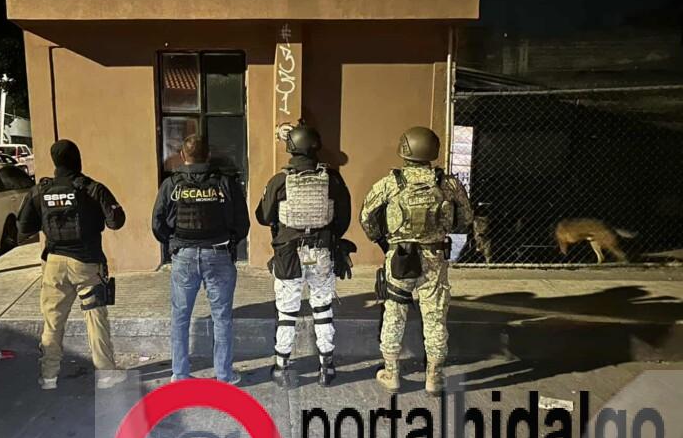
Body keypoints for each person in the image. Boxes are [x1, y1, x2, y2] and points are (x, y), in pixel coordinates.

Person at [360, 126, 473, 395]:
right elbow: (465, 218)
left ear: (404, 150)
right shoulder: (448, 184)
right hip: (435, 257)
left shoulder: (390, 183)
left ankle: (391, 373)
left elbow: (367, 218)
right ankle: (434, 377)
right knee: (435, 316)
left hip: (400, 258)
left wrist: (384, 241)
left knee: (394, 313)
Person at [17, 139, 126, 390]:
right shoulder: (92, 188)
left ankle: (48, 376)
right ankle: (105, 373)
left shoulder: (40, 191)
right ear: (78, 160)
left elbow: (24, 228)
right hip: (87, 264)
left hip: (54, 264)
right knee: (95, 318)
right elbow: (116, 221)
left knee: (53, 321)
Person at [255, 120, 353, 388]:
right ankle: (326, 367)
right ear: (315, 146)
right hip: (322, 251)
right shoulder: (332, 179)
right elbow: (343, 217)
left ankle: (281, 366)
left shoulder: (280, 180)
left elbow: (263, 217)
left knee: (287, 312)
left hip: (288, 253)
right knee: (322, 308)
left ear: (291, 147)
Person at [152, 133, 250, 384]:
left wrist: (174, 243)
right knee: (222, 318)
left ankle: (180, 375)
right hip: (218, 254)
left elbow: (157, 223)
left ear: (182, 155)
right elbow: (243, 223)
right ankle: (224, 375)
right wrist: (230, 242)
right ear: (208, 155)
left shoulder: (171, 185)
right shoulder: (225, 183)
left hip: (184, 257)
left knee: (180, 317)